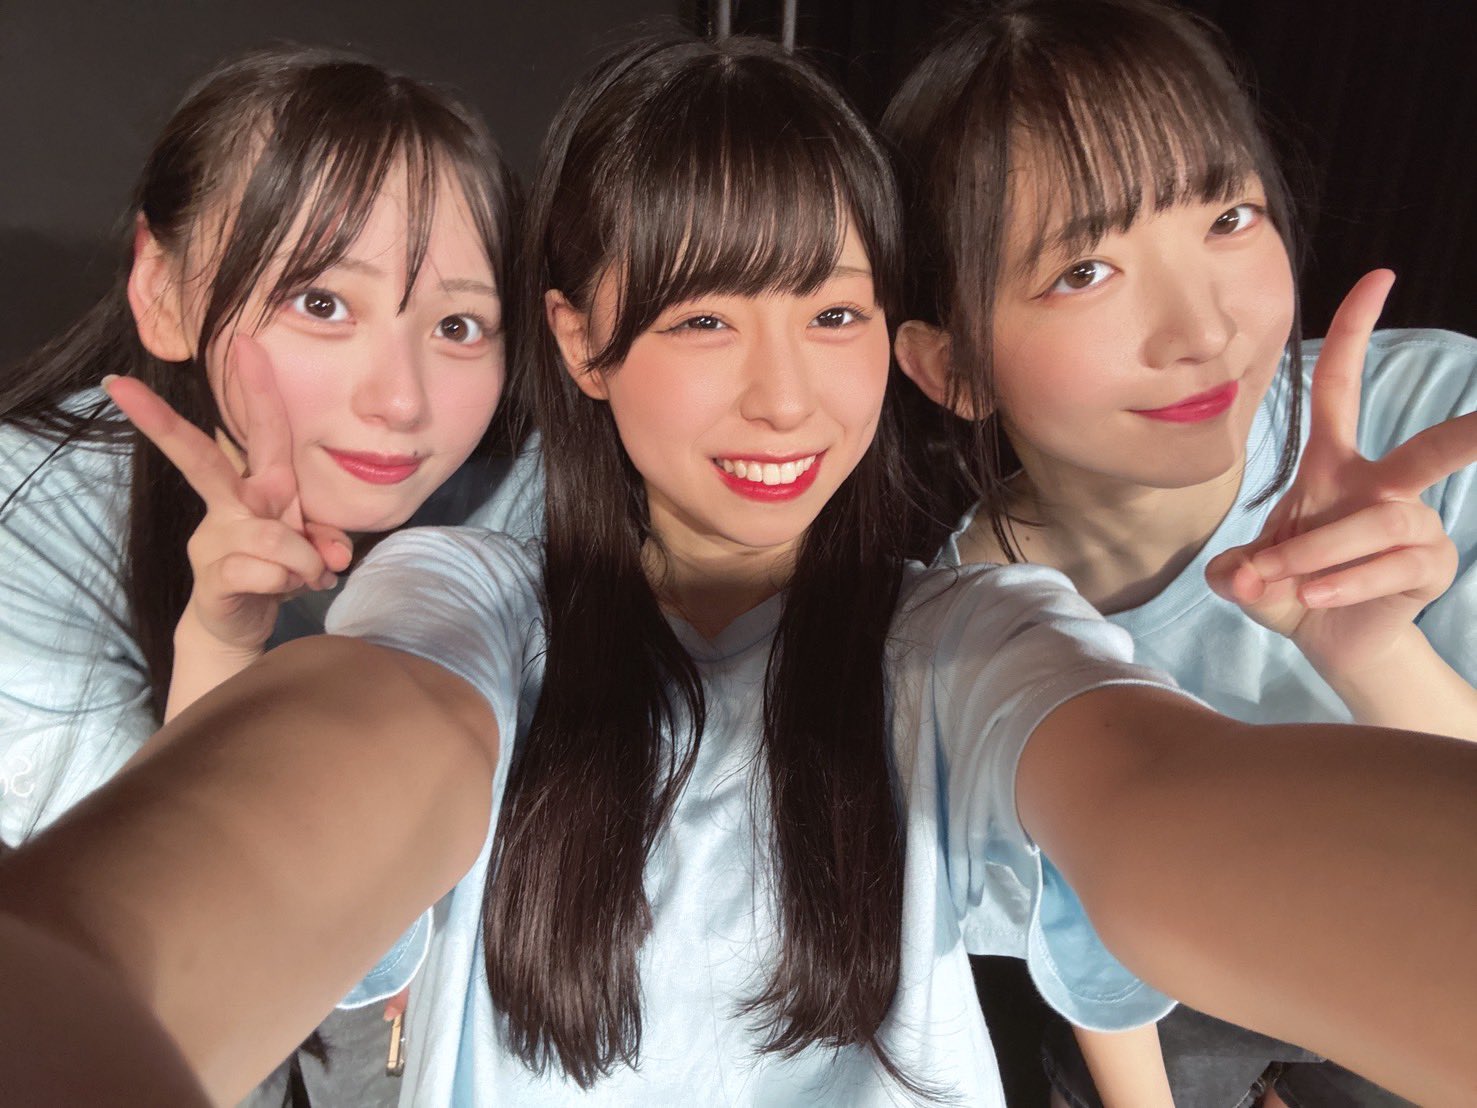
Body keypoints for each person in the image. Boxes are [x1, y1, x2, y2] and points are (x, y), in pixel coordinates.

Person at [3, 32, 1477, 1108]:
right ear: (580, 341)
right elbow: (322, 787)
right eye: (705, 320)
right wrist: (213, 686)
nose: (785, 402)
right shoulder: (467, 598)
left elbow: (1157, 803)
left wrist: (1366, 659)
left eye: (833, 317)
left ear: (901, 346)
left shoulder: (964, 635)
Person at [881, 1, 1477, 1105]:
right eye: (1083, 271)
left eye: (1228, 217)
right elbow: (1087, 952)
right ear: (953, 367)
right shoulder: (963, 630)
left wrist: (1371, 653)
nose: (1203, 331)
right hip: (1178, 993)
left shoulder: (1434, 423)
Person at [0, 43, 528, 1106]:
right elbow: (154, 981)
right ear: (164, 290)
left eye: (458, 325)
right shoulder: (28, 516)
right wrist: (218, 650)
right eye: (321, 304)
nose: (401, 399)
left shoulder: (525, 504)